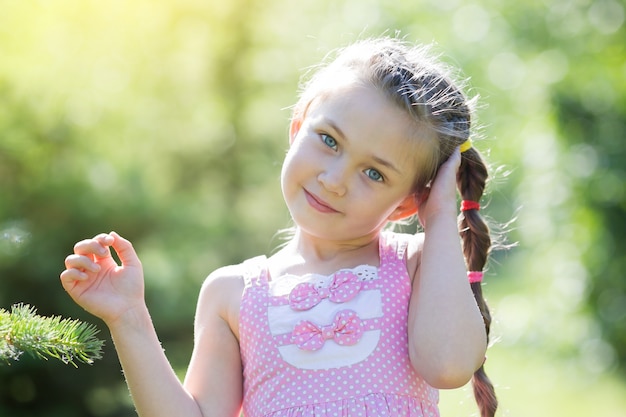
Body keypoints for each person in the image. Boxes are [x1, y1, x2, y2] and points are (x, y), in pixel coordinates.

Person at [60, 37, 499, 417]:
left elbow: (448, 365)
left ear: (407, 203)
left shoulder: (417, 266)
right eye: (329, 141)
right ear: (296, 128)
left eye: (374, 173)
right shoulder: (232, 294)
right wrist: (129, 317)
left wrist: (441, 215)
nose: (334, 180)